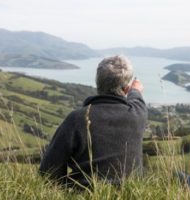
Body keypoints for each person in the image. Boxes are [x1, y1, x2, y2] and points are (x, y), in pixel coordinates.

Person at [40, 55, 148, 188]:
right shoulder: (137, 114)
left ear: (98, 83)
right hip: (130, 193)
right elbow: (136, 98)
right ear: (126, 89)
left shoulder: (77, 119)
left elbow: (48, 171)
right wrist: (135, 90)